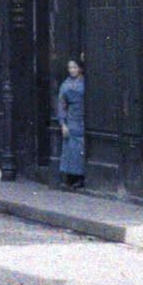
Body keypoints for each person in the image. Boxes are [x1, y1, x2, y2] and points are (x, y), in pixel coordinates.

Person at [57, 58, 86, 190]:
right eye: (70, 68)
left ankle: (80, 177)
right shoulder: (65, 85)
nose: (72, 70)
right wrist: (63, 123)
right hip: (72, 119)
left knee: (80, 148)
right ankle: (71, 177)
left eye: (74, 67)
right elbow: (61, 104)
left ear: (80, 68)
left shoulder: (85, 82)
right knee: (70, 149)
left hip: (83, 117)